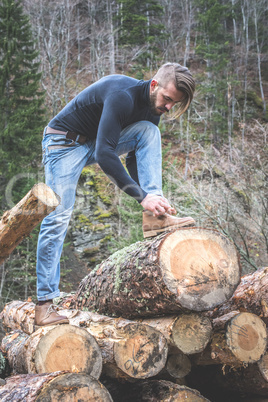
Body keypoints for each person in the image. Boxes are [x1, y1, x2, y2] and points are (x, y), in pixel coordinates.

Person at [35, 62, 196, 328]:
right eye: (167, 99)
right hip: (63, 143)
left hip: (95, 142)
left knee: (149, 131)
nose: (168, 107)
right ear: (154, 85)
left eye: (174, 104)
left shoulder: (153, 108)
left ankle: (156, 216)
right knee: (58, 216)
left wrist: (147, 198)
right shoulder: (123, 95)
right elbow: (104, 154)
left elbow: (135, 156)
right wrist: (141, 195)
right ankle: (44, 304)